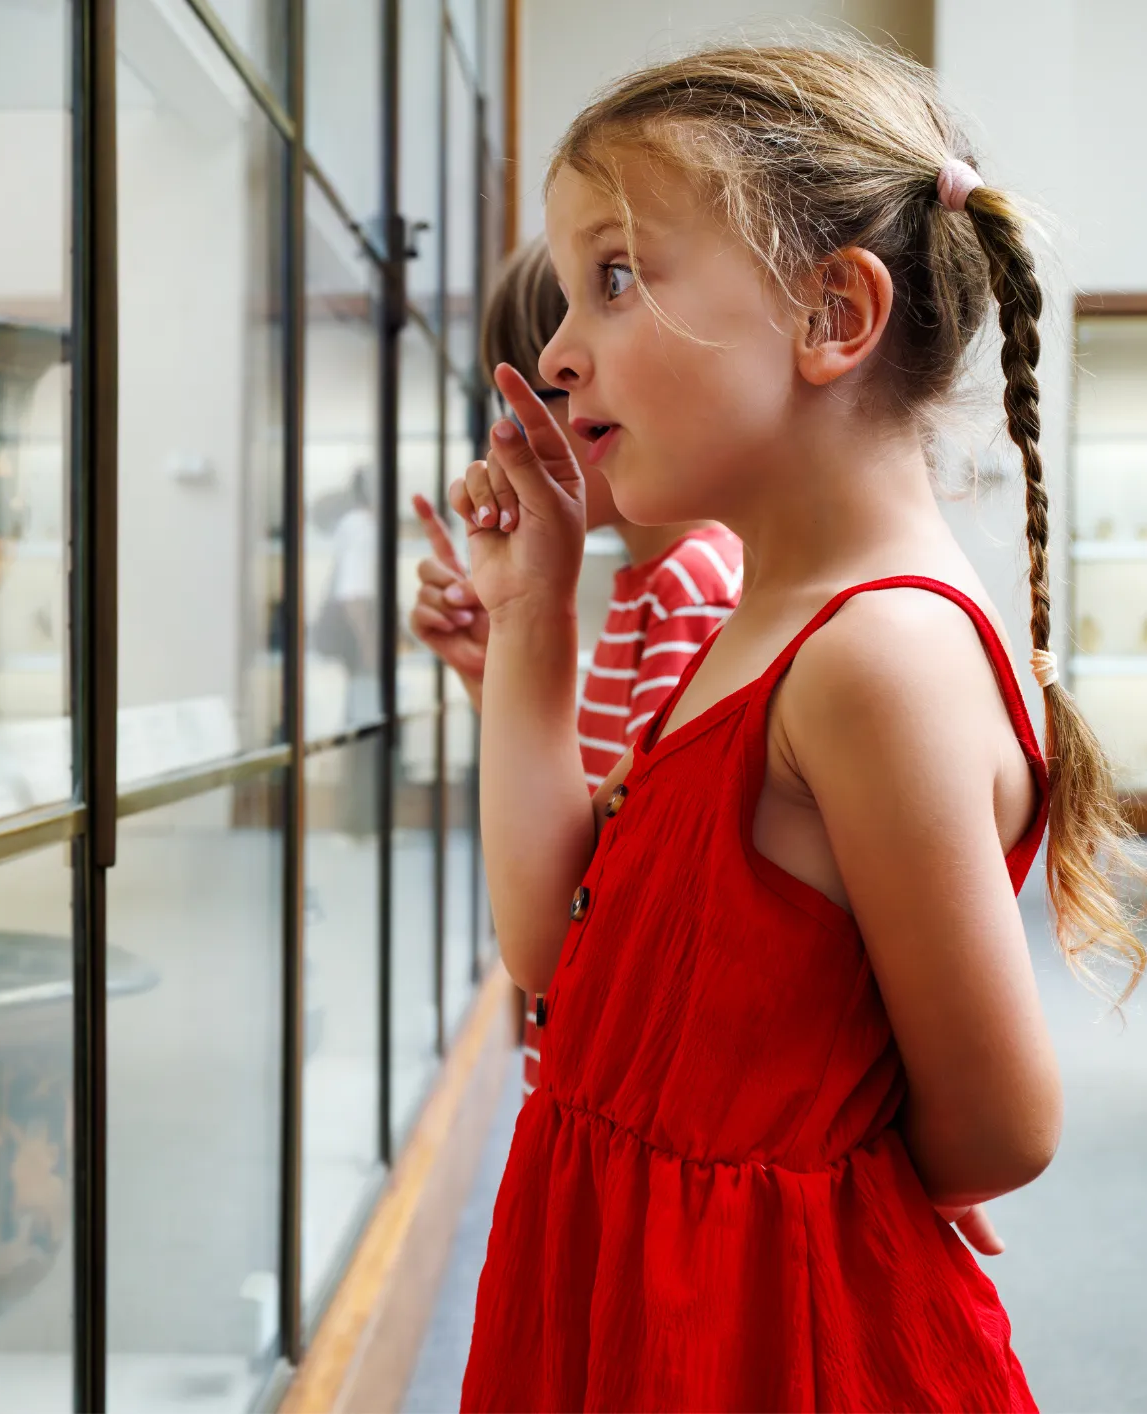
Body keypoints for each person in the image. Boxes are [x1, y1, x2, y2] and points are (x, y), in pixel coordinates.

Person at [454, 38, 1147, 1414]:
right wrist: (531, 613)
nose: (557, 351)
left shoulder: (872, 658)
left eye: (613, 276)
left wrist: (813, 1170)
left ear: (832, 312)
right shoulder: (758, 627)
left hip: (759, 1336)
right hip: (627, 1281)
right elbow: (554, 953)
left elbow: (1002, 1119)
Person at [408, 238, 740, 1096]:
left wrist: (524, 634)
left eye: (538, 399)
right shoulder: (662, 585)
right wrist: (495, 675)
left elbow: (592, 908)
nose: (512, 440)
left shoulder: (693, 591)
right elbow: (592, 817)